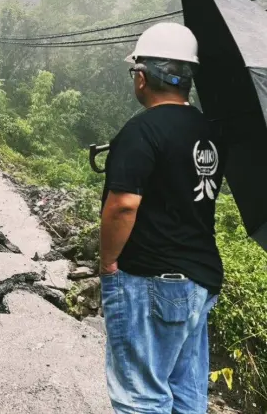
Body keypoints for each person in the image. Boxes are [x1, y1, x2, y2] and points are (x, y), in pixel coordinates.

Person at [100, 22, 225, 414]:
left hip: (151, 280)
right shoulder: (210, 131)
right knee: (186, 394)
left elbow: (123, 205)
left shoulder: (142, 131)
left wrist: (108, 263)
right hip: (200, 279)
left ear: (142, 77)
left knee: (141, 397)